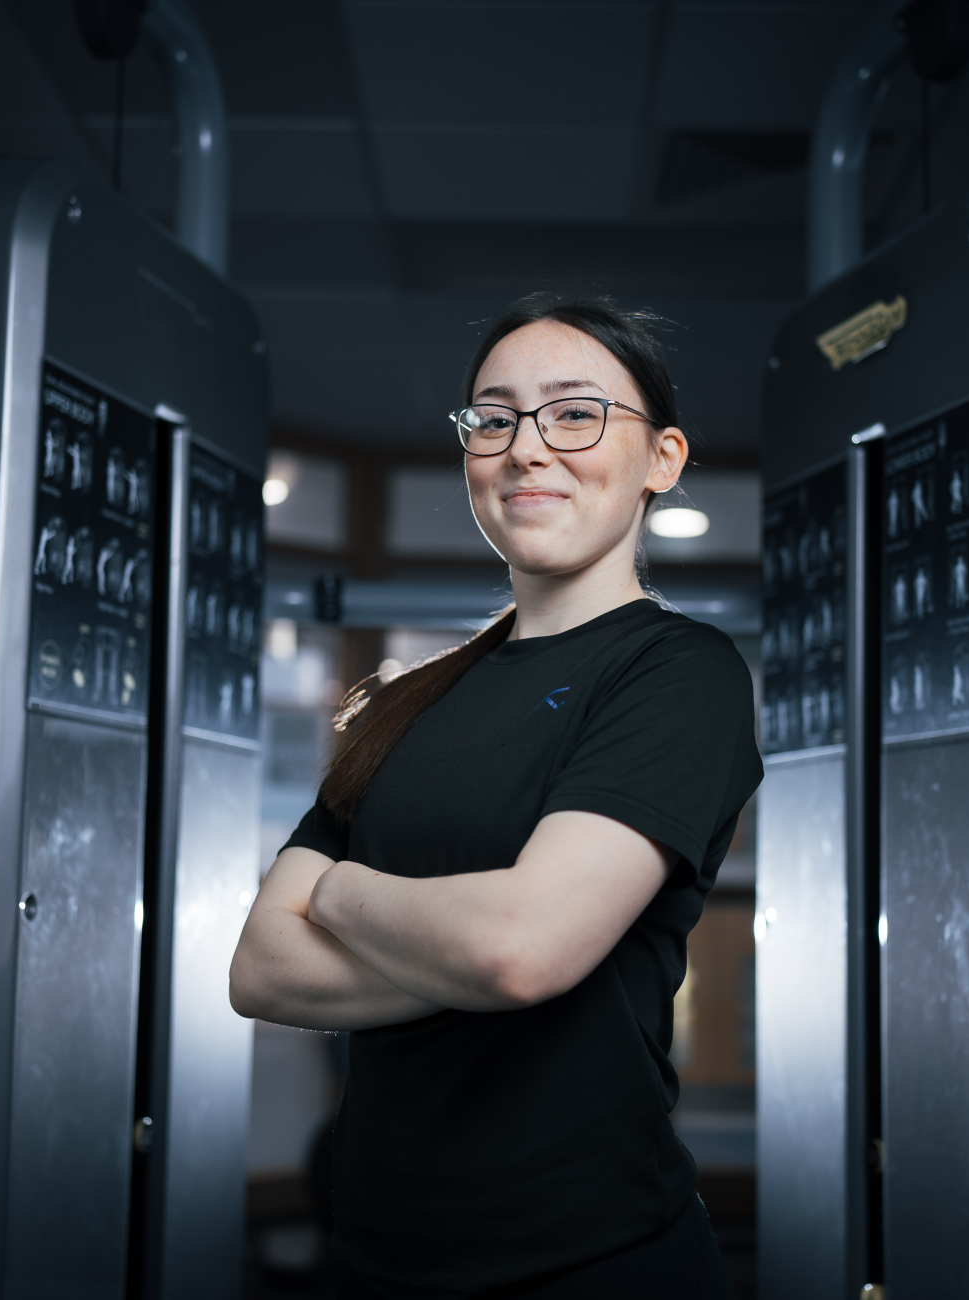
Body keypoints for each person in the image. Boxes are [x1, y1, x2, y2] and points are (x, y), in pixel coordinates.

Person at [229, 293, 762, 1299]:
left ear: (662, 458)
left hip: (591, 1261)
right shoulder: (407, 697)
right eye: (494, 416)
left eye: (574, 413)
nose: (527, 447)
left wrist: (337, 892)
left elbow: (519, 950)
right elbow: (259, 967)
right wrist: (492, 947)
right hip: (379, 1254)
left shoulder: (678, 671)